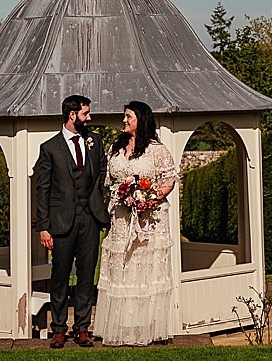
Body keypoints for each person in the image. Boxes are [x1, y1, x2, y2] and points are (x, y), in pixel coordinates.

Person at [91, 100, 179, 346]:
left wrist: (149, 199)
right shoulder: (116, 148)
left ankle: (147, 327)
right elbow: (109, 182)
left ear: (141, 119)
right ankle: (121, 325)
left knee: (146, 269)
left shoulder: (156, 150)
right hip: (121, 218)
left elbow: (168, 180)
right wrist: (124, 197)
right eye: (124, 116)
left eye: (128, 116)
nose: (124, 120)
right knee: (123, 266)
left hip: (149, 220)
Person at [35, 94, 109, 348]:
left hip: (89, 219)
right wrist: (43, 226)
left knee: (87, 275)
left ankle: (82, 328)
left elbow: (101, 176)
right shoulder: (49, 148)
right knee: (60, 276)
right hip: (61, 221)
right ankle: (58, 329)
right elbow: (42, 190)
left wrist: (99, 206)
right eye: (86, 113)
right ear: (72, 115)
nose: (89, 118)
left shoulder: (95, 142)